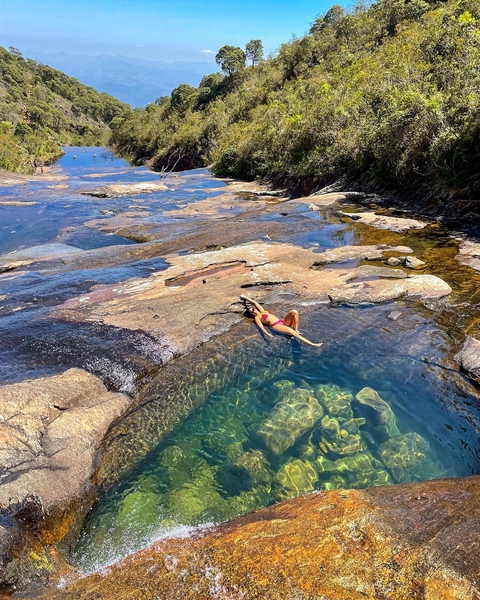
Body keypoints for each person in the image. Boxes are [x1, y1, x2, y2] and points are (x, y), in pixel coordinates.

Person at [240, 294, 323, 347]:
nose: (254, 311)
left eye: (253, 309)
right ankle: (313, 344)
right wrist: (267, 333)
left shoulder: (262, 311)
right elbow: (260, 326)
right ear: (251, 314)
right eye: (252, 312)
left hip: (282, 321)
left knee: (294, 312)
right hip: (276, 326)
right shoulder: (257, 318)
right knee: (292, 333)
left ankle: (296, 329)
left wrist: (245, 297)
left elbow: (254, 303)